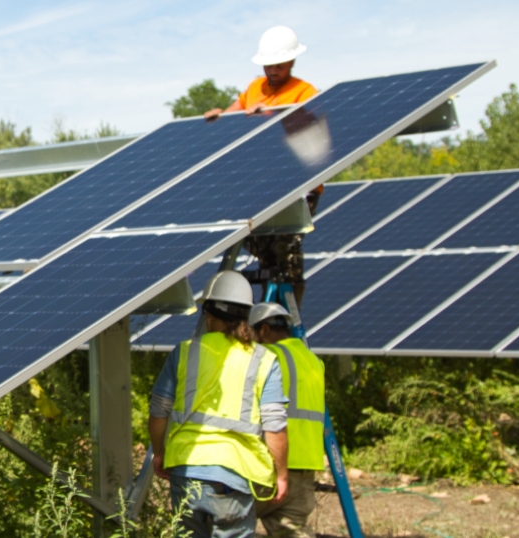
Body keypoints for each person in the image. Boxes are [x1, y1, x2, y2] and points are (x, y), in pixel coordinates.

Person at [149, 271, 290, 537]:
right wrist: (281, 474)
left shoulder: (184, 352)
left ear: (208, 314)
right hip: (236, 475)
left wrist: (160, 452)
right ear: (247, 316)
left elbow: (158, 412)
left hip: (186, 469)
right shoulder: (264, 360)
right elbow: (275, 427)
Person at [204, 26, 322, 307]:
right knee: (257, 246)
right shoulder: (255, 88)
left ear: (292, 62)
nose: (273, 70)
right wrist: (219, 116)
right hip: (263, 183)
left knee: (286, 251)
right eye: (268, 65)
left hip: (298, 187)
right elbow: (233, 116)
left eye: (279, 65)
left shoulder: (305, 92)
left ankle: (286, 314)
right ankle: (267, 311)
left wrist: (270, 117)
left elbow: (309, 132)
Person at [249, 302, 325, 538]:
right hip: (306, 467)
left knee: (225, 524)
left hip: (270, 462)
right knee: (292, 532)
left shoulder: (267, 356)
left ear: (263, 330)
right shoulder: (314, 361)